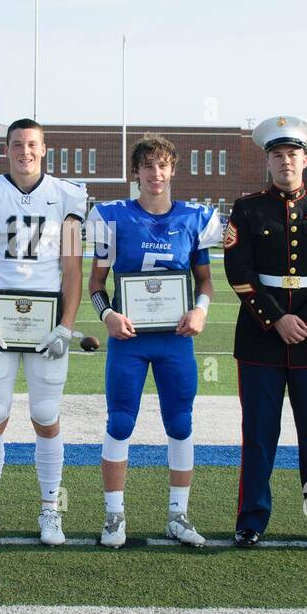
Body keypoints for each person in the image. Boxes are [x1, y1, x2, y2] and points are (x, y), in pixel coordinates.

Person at [86, 135, 222, 548]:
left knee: (180, 424)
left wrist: (201, 310)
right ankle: (113, 515)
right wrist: (107, 314)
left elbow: (206, 282)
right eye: (148, 166)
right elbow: (96, 282)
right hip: (129, 339)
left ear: (173, 170)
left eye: (162, 166)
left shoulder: (194, 218)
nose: (155, 174)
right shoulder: (111, 216)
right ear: (136, 172)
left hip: (175, 339)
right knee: (120, 422)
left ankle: (178, 515)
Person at [224, 116, 307, 551]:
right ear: (268, 161)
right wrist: (277, 317)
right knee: (259, 433)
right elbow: (238, 271)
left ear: (305, 159)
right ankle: (252, 519)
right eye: (277, 155)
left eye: (292, 154)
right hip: (261, 336)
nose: (285, 162)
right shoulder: (246, 209)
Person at [0, 118, 86, 546]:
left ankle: (51, 510)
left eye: (32, 144)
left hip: (46, 322)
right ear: (7, 148)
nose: (25, 151)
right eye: (17, 144)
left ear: (44, 149)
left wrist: (66, 328)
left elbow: (72, 268)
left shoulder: (68, 195)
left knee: (46, 416)